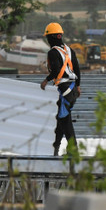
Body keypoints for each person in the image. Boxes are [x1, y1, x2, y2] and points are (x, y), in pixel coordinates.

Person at [40, 22, 81, 156]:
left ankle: (73, 151)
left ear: (52, 37)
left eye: (48, 38)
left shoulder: (53, 52)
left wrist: (46, 80)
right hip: (72, 89)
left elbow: (57, 71)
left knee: (65, 121)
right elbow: (77, 69)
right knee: (59, 122)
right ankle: (54, 149)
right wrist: (78, 85)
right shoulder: (70, 50)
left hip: (64, 90)